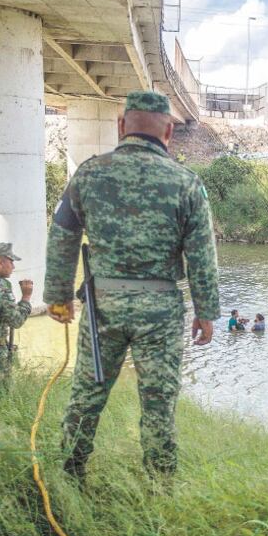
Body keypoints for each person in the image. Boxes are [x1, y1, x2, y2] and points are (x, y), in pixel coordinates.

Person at [43, 90, 220, 480]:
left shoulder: (89, 173)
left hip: (102, 304)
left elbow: (62, 236)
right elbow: (202, 255)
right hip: (160, 311)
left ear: (122, 126)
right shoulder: (186, 183)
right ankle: (159, 487)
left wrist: (58, 297)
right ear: (169, 132)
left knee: (87, 396)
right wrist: (207, 312)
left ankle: (68, 475)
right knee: (158, 405)